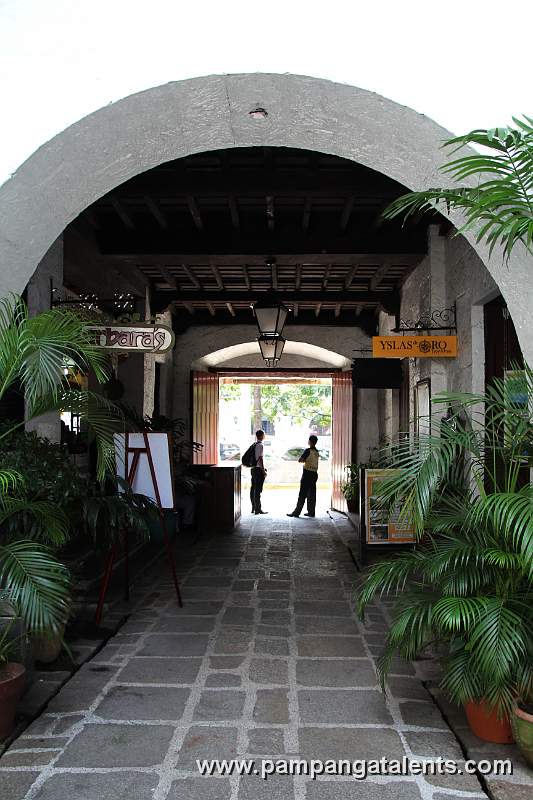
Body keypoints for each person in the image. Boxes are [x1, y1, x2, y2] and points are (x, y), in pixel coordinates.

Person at [287, 435, 319, 518]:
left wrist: (303, 460)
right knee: (312, 494)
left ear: (310, 442)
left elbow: (300, 460)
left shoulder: (307, 451)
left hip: (307, 474)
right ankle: (311, 512)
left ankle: (296, 512)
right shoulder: (316, 452)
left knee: (302, 494)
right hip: (314, 474)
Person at [250, 429, 268, 515]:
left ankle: (254, 507)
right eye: (264, 435)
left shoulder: (254, 444)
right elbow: (260, 459)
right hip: (258, 469)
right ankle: (258, 509)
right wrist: (263, 471)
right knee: (258, 490)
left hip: (253, 469)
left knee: (253, 488)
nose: (265, 436)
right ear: (261, 436)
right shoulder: (260, 445)